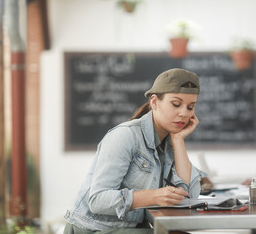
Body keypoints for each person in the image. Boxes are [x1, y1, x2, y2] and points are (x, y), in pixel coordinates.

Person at [63, 68, 205, 234]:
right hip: (94, 229)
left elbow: (188, 198)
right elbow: (97, 200)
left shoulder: (169, 142)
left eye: (191, 107)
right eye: (176, 104)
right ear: (154, 102)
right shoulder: (125, 136)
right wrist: (153, 196)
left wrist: (178, 139)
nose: (183, 113)